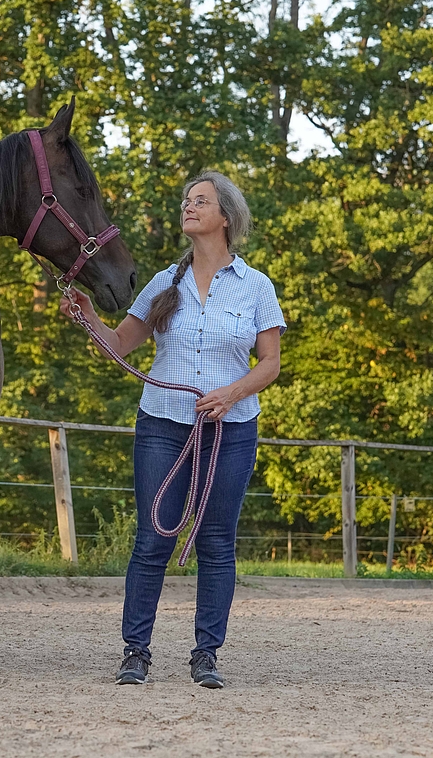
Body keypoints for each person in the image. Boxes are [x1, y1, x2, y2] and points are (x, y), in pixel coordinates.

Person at [58, 171, 285, 689]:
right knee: (152, 540)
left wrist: (231, 394)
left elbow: (269, 363)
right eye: (187, 200)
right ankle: (135, 651)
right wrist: (90, 314)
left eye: (199, 201)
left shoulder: (256, 286)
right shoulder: (165, 282)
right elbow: (121, 345)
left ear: (224, 217)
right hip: (163, 423)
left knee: (217, 543)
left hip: (230, 431)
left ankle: (206, 654)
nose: (188, 206)